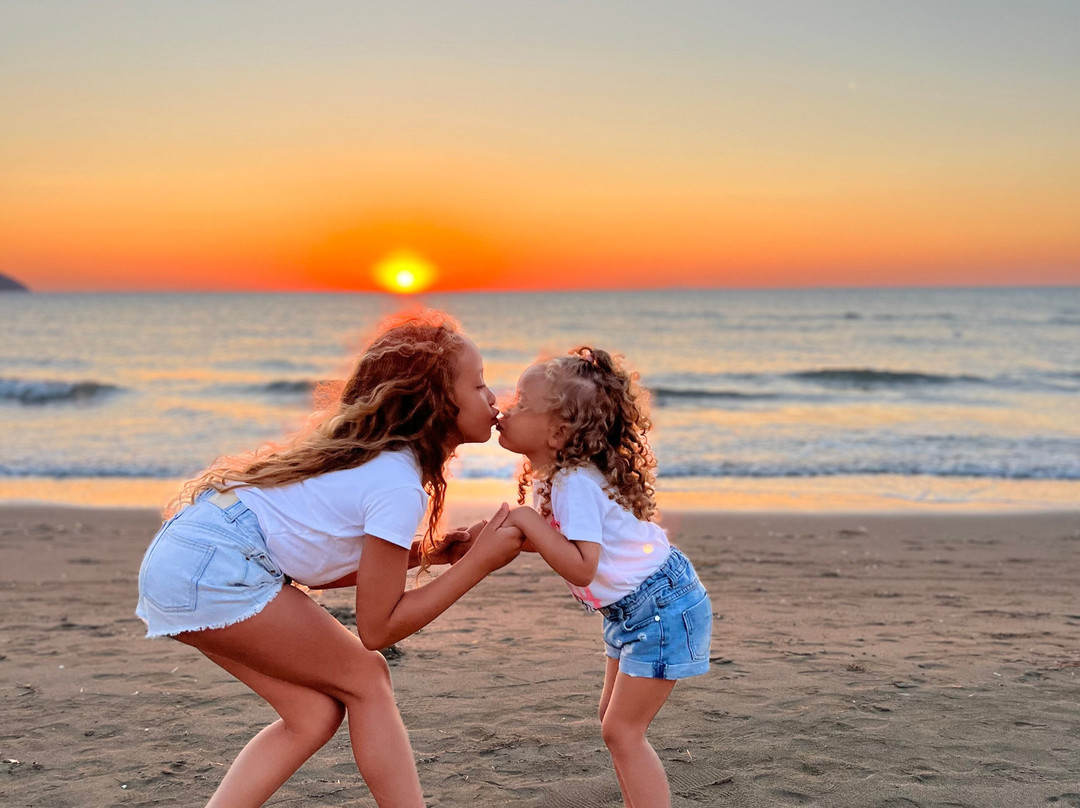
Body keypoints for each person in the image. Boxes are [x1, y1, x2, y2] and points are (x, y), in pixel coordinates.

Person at [135, 310, 522, 808]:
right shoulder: (397, 482)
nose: (493, 398)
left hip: (185, 559)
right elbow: (378, 628)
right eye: (480, 384)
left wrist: (430, 555)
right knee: (368, 677)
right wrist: (477, 564)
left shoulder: (369, 458)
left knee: (312, 715)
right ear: (435, 402)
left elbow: (317, 567)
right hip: (219, 566)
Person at [495, 346, 712, 808]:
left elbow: (581, 565)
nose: (505, 409)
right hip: (636, 608)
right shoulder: (556, 476)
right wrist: (490, 535)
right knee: (613, 723)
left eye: (521, 403)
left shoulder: (573, 482)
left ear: (557, 431)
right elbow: (557, 540)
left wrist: (524, 520)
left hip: (660, 606)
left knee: (622, 731)